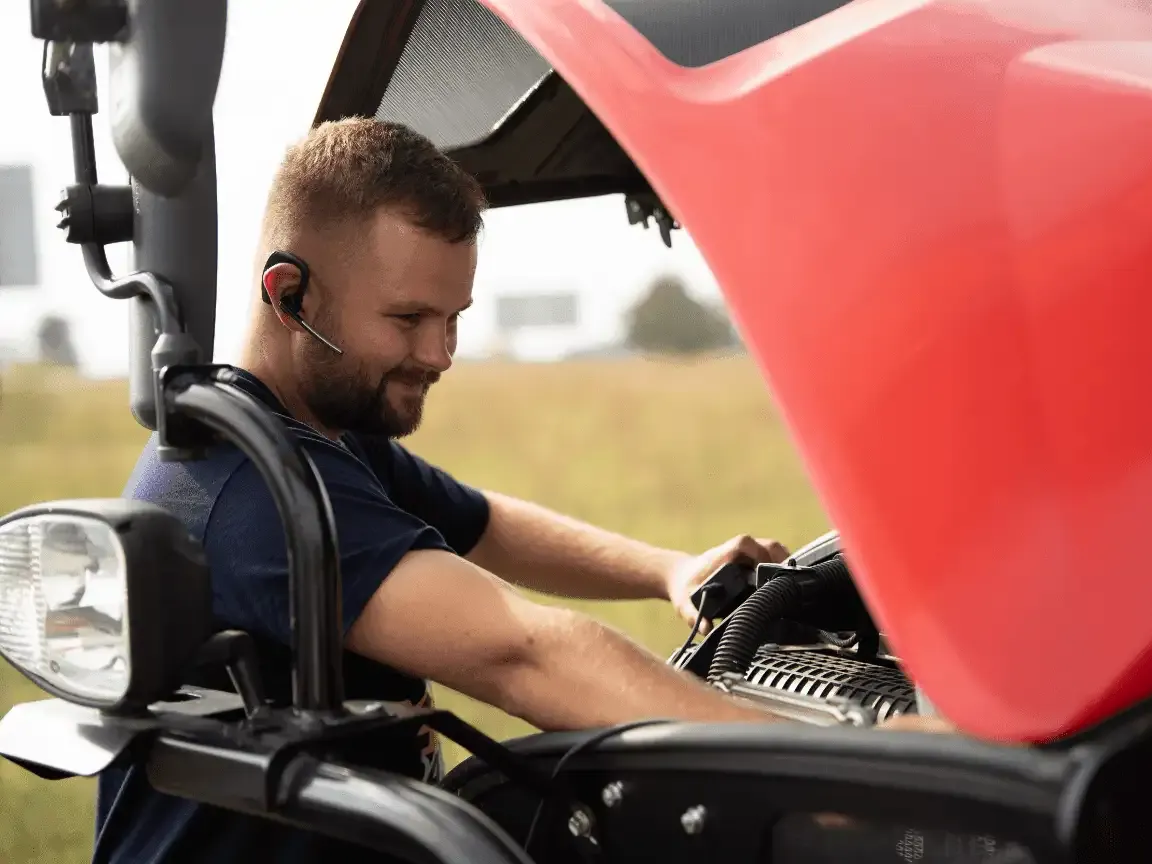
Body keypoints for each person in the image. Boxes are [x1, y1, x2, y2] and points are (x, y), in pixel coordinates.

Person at [90, 118, 799, 864]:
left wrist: (668, 570)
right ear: (289, 294)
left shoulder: (326, 434)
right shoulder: (249, 484)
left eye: (453, 319)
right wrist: (803, 769)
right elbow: (521, 655)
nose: (439, 355)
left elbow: (485, 522)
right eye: (408, 319)